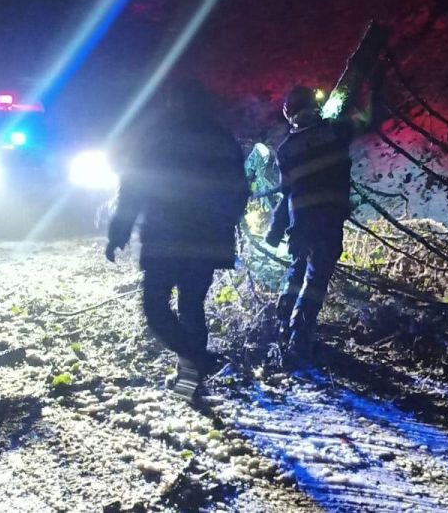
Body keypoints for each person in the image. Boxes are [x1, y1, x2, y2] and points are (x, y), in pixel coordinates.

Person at [106, 79, 248, 393]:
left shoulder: (158, 136)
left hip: (165, 238)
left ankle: (193, 365)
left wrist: (119, 231)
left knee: (155, 307)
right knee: (191, 306)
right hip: (205, 241)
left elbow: (133, 187)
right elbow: (239, 191)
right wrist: (223, 225)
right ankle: (190, 377)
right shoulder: (221, 138)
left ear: (174, 103)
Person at [265, 84, 369, 358]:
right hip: (329, 217)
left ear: (289, 112)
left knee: (298, 269)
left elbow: (287, 192)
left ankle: (282, 325)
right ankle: (299, 337)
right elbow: (367, 120)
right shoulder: (335, 130)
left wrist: (276, 229)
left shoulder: (285, 149)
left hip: (300, 221)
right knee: (316, 278)